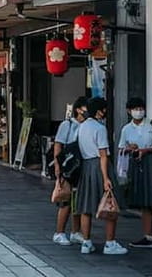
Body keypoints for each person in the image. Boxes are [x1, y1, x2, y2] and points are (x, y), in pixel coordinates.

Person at [119, 97, 152, 249]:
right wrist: (131, 149)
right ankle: (148, 236)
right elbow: (121, 148)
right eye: (136, 109)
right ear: (129, 111)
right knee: (144, 202)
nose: (139, 111)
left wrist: (147, 150)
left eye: (141, 108)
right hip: (138, 165)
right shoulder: (126, 129)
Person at [76, 97, 127, 255]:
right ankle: (110, 243)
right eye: (104, 109)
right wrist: (106, 178)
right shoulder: (100, 128)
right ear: (99, 111)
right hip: (99, 166)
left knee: (86, 205)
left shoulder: (81, 127)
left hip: (86, 166)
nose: (105, 112)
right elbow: (103, 154)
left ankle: (86, 242)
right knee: (110, 203)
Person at [52, 96, 87, 247]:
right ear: (78, 109)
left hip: (81, 166)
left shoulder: (88, 125)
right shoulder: (67, 125)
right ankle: (59, 232)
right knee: (65, 199)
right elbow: (58, 145)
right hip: (68, 165)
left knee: (78, 199)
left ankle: (75, 231)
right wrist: (57, 166)